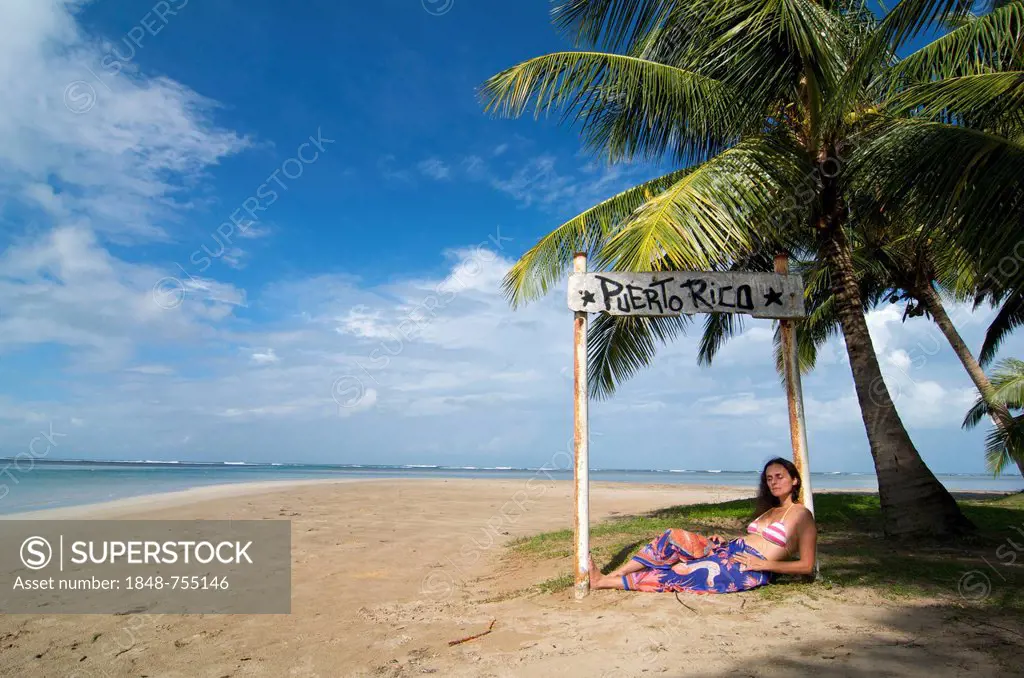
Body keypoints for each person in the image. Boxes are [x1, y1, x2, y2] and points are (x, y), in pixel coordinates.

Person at [587, 457, 817, 594]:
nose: (774, 482)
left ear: (794, 480)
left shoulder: (801, 515)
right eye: (769, 478)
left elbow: (806, 565)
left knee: (679, 571)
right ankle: (619, 572)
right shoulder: (769, 511)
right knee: (673, 536)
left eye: (779, 476)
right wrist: (726, 541)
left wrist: (764, 565)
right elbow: (754, 538)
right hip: (729, 551)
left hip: (748, 569)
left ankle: (604, 582)